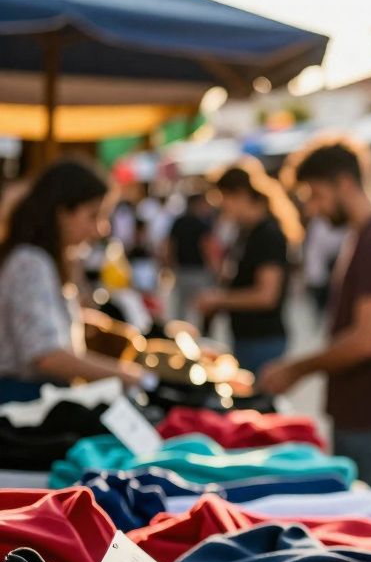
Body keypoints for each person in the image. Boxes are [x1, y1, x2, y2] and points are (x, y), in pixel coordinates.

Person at [260, 138, 371, 507]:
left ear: (344, 183)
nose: (313, 208)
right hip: (368, 411)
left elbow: (366, 339)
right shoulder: (369, 235)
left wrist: (298, 368)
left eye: (316, 194)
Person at [0, 159, 149, 396]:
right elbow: (45, 355)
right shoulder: (29, 262)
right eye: (93, 216)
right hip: (23, 400)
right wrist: (125, 374)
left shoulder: (45, 260)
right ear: (62, 213)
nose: (101, 229)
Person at [197, 160, 301, 374]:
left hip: (262, 340)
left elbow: (266, 295)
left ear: (240, 195)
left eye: (224, 199)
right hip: (248, 338)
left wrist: (219, 299)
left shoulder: (268, 234)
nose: (223, 207)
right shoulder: (246, 232)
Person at [163, 192, 215, 323]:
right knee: (197, 309)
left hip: (183, 270)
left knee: (181, 309)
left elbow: (169, 246)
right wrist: (214, 268)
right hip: (197, 271)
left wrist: (169, 264)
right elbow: (207, 248)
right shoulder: (202, 224)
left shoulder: (179, 222)